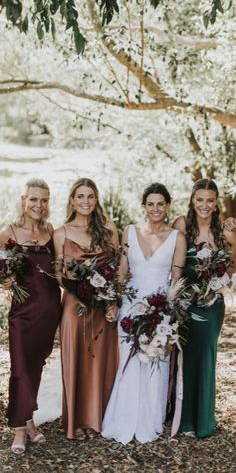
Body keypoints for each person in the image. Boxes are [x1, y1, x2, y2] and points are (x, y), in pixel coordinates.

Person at [101, 183, 186, 444]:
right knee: (129, 362)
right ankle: (123, 419)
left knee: (154, 362)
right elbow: (123, 270)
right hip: (130, 305)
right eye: (151, 204)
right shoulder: (130, 231)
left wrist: (170, 316)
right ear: (144, 206)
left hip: (160, 309)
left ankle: (150, 421)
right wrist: (113, 301)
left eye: (161, 204)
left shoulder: (177, 237)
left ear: (168, 206)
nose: (156, 209)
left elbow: (176, 279)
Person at [53, 178, 119, 440]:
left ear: (96, 198)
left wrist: (111, 299)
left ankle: (99, 418)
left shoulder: (108, 229)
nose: (86, 201)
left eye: (90, 196)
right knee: (76, 358)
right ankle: (76, 421)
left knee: (101, 360)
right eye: (80, 196)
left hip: (102, 306)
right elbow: (58, 273)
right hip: (74, 304)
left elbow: (116, 269)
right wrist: (77, 291)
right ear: (72, 200)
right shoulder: (61, 233)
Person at [0, 178, 62, 454]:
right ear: (24, 199)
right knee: (20, 369)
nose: (39, 205)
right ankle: (19, 430)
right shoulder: (8, 232)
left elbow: (60, 271)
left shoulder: (51, 231)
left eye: (44, 200)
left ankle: (30, 422)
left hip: (50, 310)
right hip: (22, 314)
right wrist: (5, 280)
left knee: (35, 367)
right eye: (34, 199)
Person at [173, 178, 236, 438]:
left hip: (212, 304)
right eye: (199, 199)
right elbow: (174, 264)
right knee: (185, 357)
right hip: (186, 300)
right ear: (192, 200)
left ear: (216, 202)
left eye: (210, 200)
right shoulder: (181, 225)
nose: (204, 205)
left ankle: (204, 420)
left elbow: (233, 264)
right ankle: (185, 420)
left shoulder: (226, 230)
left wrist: (222, 280)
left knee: (206, 355)